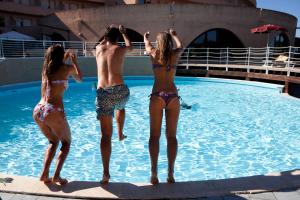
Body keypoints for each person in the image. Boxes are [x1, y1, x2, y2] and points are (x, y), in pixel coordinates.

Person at [33, 44, 82, 185]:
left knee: (53, 141)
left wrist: (64, 56)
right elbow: (80, 79)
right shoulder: (66, 69)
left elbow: (56, 64)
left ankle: (44, 174)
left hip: (38, 110)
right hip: (53, 110)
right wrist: (74, 61)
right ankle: (56, 176)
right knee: (66, 143)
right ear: (61, 57)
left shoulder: (45, 69)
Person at [144, 29, 183, 185]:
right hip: (173, 96)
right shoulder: (175, 54)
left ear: (158, 43)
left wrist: (145, 37)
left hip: (157, 95)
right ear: (169, 42)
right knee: (171, 136)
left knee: (154, 136)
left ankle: (154, 172)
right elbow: (181, 46)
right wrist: (174, 35)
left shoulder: (154, 53)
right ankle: (171, 173)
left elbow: (147, 45)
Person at [95, 25, 133, 184]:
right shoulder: (120, 49)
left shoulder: (97, 49)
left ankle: (105, 173)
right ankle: (120, 132)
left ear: (105, 37)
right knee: (121, 106)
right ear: (117, 38)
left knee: (105, 136)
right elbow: (130, 47)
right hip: (120, 91)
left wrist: (105, 36)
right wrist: (124, 33)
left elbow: (101, 41)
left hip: (103, 93)